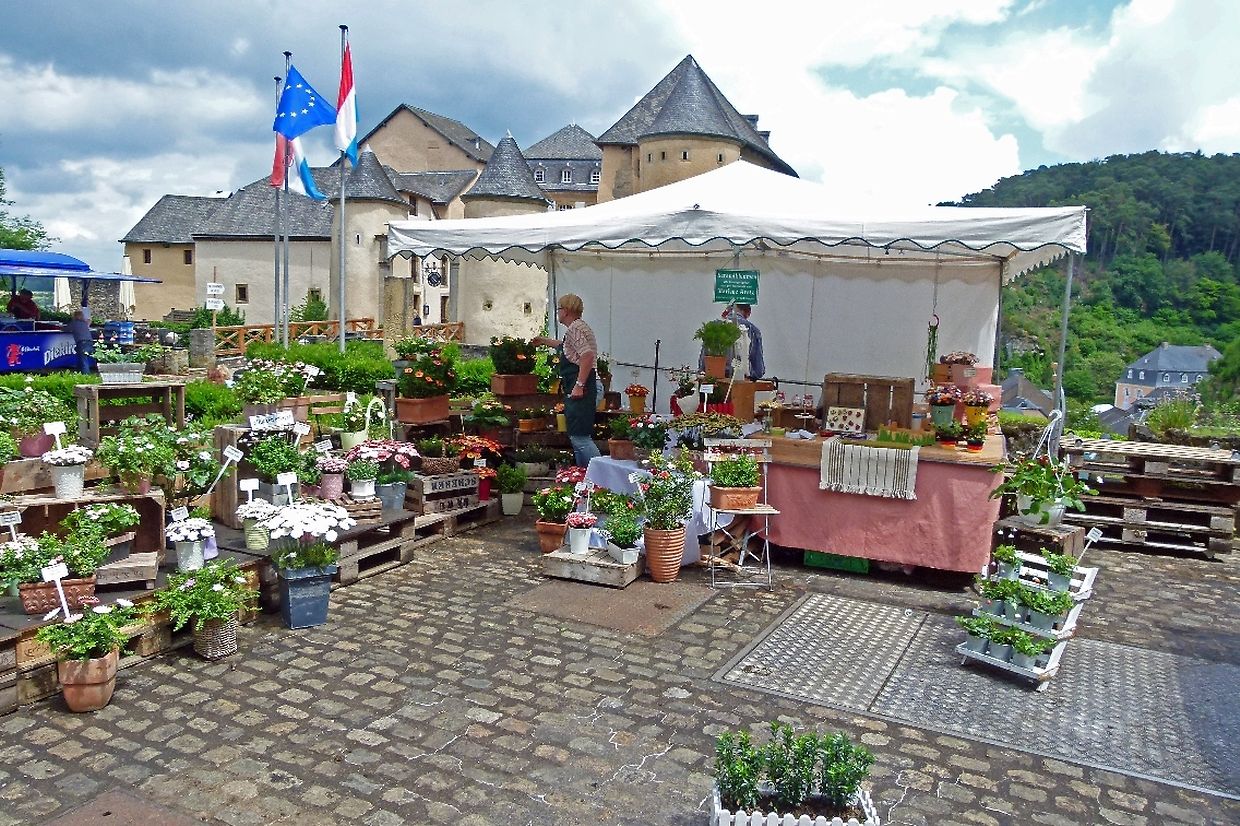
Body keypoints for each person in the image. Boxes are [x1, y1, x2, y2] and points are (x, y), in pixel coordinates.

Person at [532, 294, 600, 467]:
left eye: (559, 309)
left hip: (584, 387)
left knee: (580, 437)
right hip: (588, 386)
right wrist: (543, 341)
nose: (558, 312)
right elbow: (566, 347)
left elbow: (587, 356)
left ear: (566, 311)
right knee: (577, 439)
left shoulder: (574, 329)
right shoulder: (578, 327)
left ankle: (601, 474)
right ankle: (583, 476)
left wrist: (579, 385)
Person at [729, 303, 764, 381]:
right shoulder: (752, 330)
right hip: (743, 380)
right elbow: (758, 369)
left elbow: (703, 363)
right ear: (748, 312)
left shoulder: (714, 327)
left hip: (713, 380)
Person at [68, 308, 93, 374]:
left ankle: (86, 375)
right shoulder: (84, 323)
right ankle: (79, 373)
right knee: (81, 358)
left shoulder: (74, 323)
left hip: (82, 342)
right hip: (89, 342)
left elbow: (66, 329)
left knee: (83, 360)